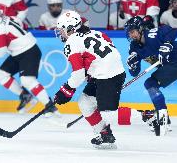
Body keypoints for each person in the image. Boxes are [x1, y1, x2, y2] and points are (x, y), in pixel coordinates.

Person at [53, 10, 127, 149]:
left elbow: (79, 74)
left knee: (109, 114)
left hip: (106, 76)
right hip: (109, 73)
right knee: (85, 102)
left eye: (62, 29)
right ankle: (104, 134)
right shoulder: (96, 33)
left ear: (70, 29)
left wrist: (65, 90)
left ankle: (148, 116)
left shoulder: (71, 43)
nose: (60, 33)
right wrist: (92, 70)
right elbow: (111, 51)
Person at [0, 4, 59, 116]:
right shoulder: (5, 17)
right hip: (18, 52)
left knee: (27, 81)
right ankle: (25, 96)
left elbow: (1, 51)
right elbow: (19, 23)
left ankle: (50, 106)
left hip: (28, 51)